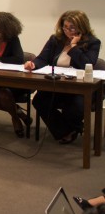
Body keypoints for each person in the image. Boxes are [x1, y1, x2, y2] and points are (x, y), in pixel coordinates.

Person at [24, 10, 100, 144]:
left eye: (72, 27)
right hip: (57, 82)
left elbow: (87, 64)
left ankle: (71, 128)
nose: (67, 31)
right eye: (65, 27)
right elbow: (43, 58)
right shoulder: (56, 39)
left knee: (75, 108)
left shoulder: (93, 42)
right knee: (39, 101)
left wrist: (73, 47)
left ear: (82, 27)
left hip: (79, 87)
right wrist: (33, 64)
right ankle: (69, 130)